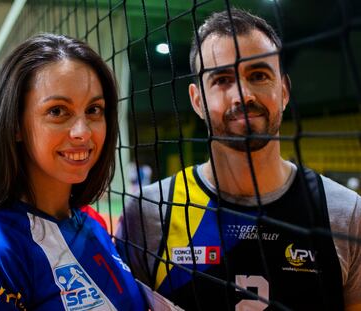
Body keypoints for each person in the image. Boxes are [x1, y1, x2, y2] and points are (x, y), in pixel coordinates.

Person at [116, 9, 361, 311]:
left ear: (283, 91)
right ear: (197, 101)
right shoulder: (147, 214)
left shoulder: (346, 214)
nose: (242, 95)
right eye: (221, 79)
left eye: (258, 75)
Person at [0, 33, 146, 310]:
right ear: (15, 124)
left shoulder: (92, 224)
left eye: (94, 110)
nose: (83, 132)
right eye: (57, 111)